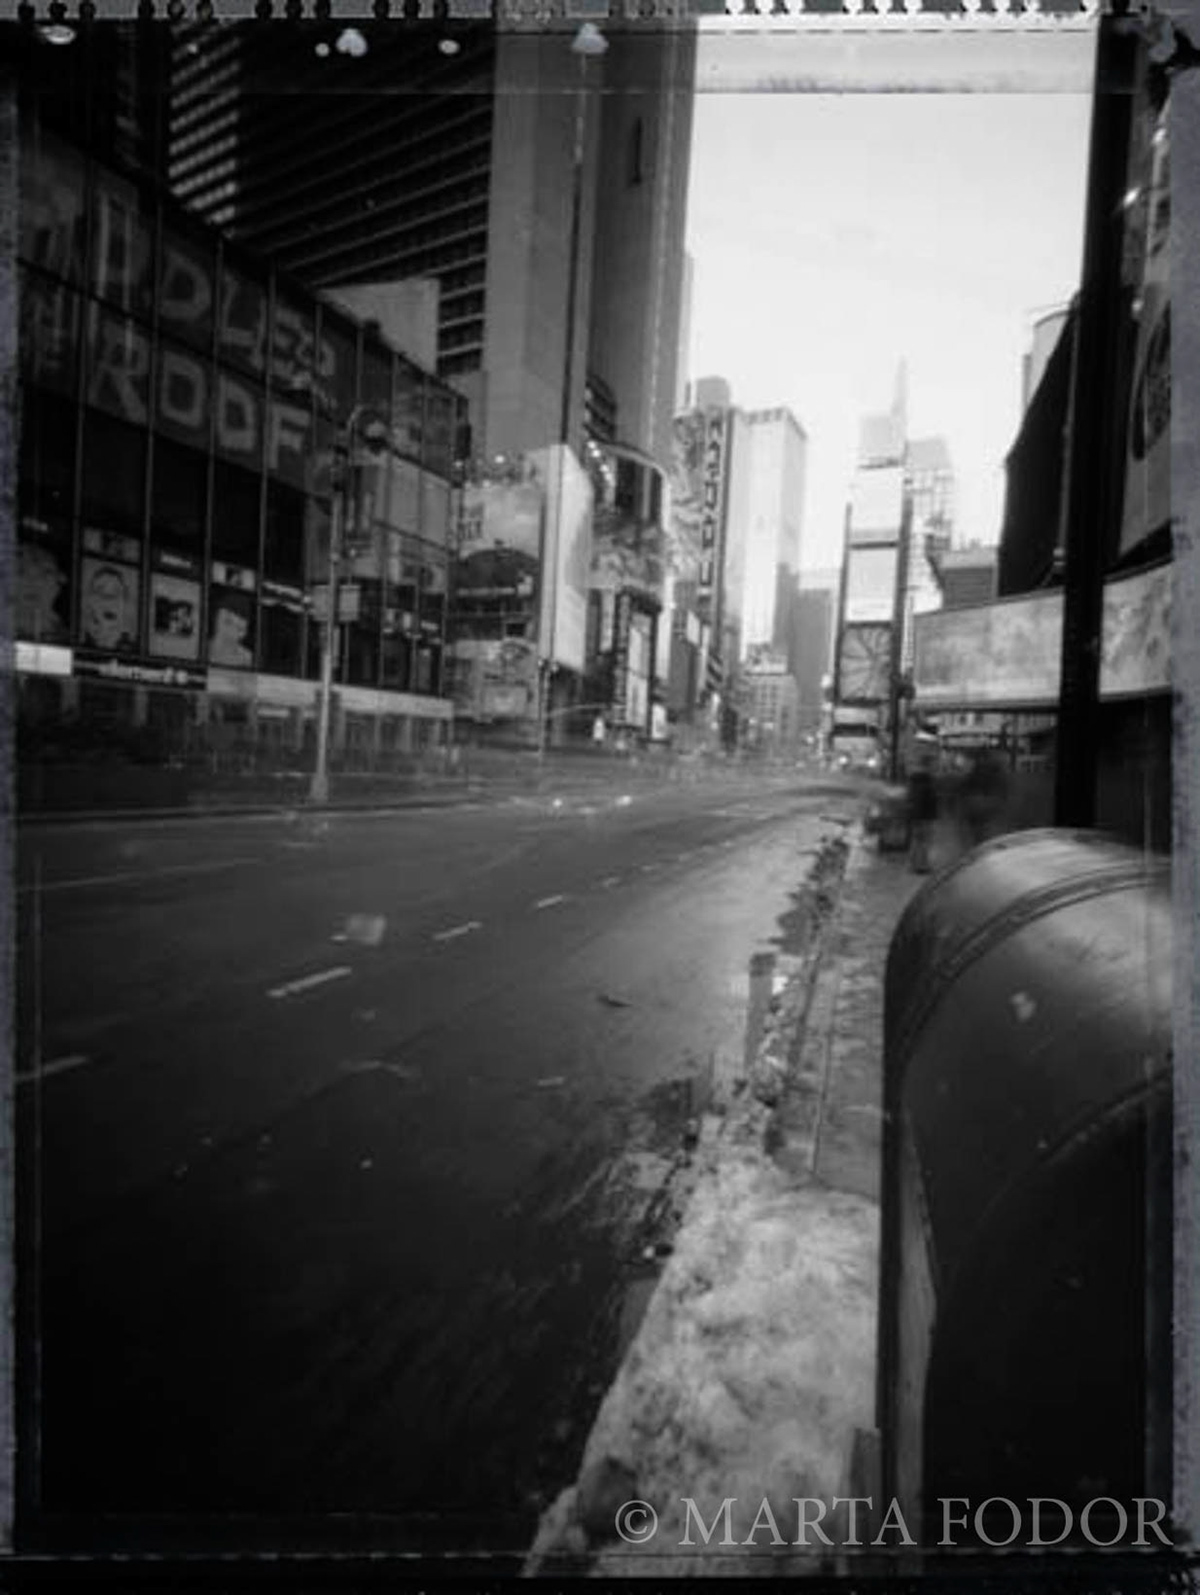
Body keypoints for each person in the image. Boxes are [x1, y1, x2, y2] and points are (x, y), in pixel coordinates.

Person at [907, 734, 939, 874]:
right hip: (924, 815)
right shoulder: (923, 780)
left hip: (922, 814)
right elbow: (920, 799)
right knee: (923, 841)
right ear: (928, 764)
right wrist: (920, 815)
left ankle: (917, 864)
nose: (934, 766)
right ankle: (920, 866)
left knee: (919, 841)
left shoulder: (919, 779)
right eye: (932, 763)